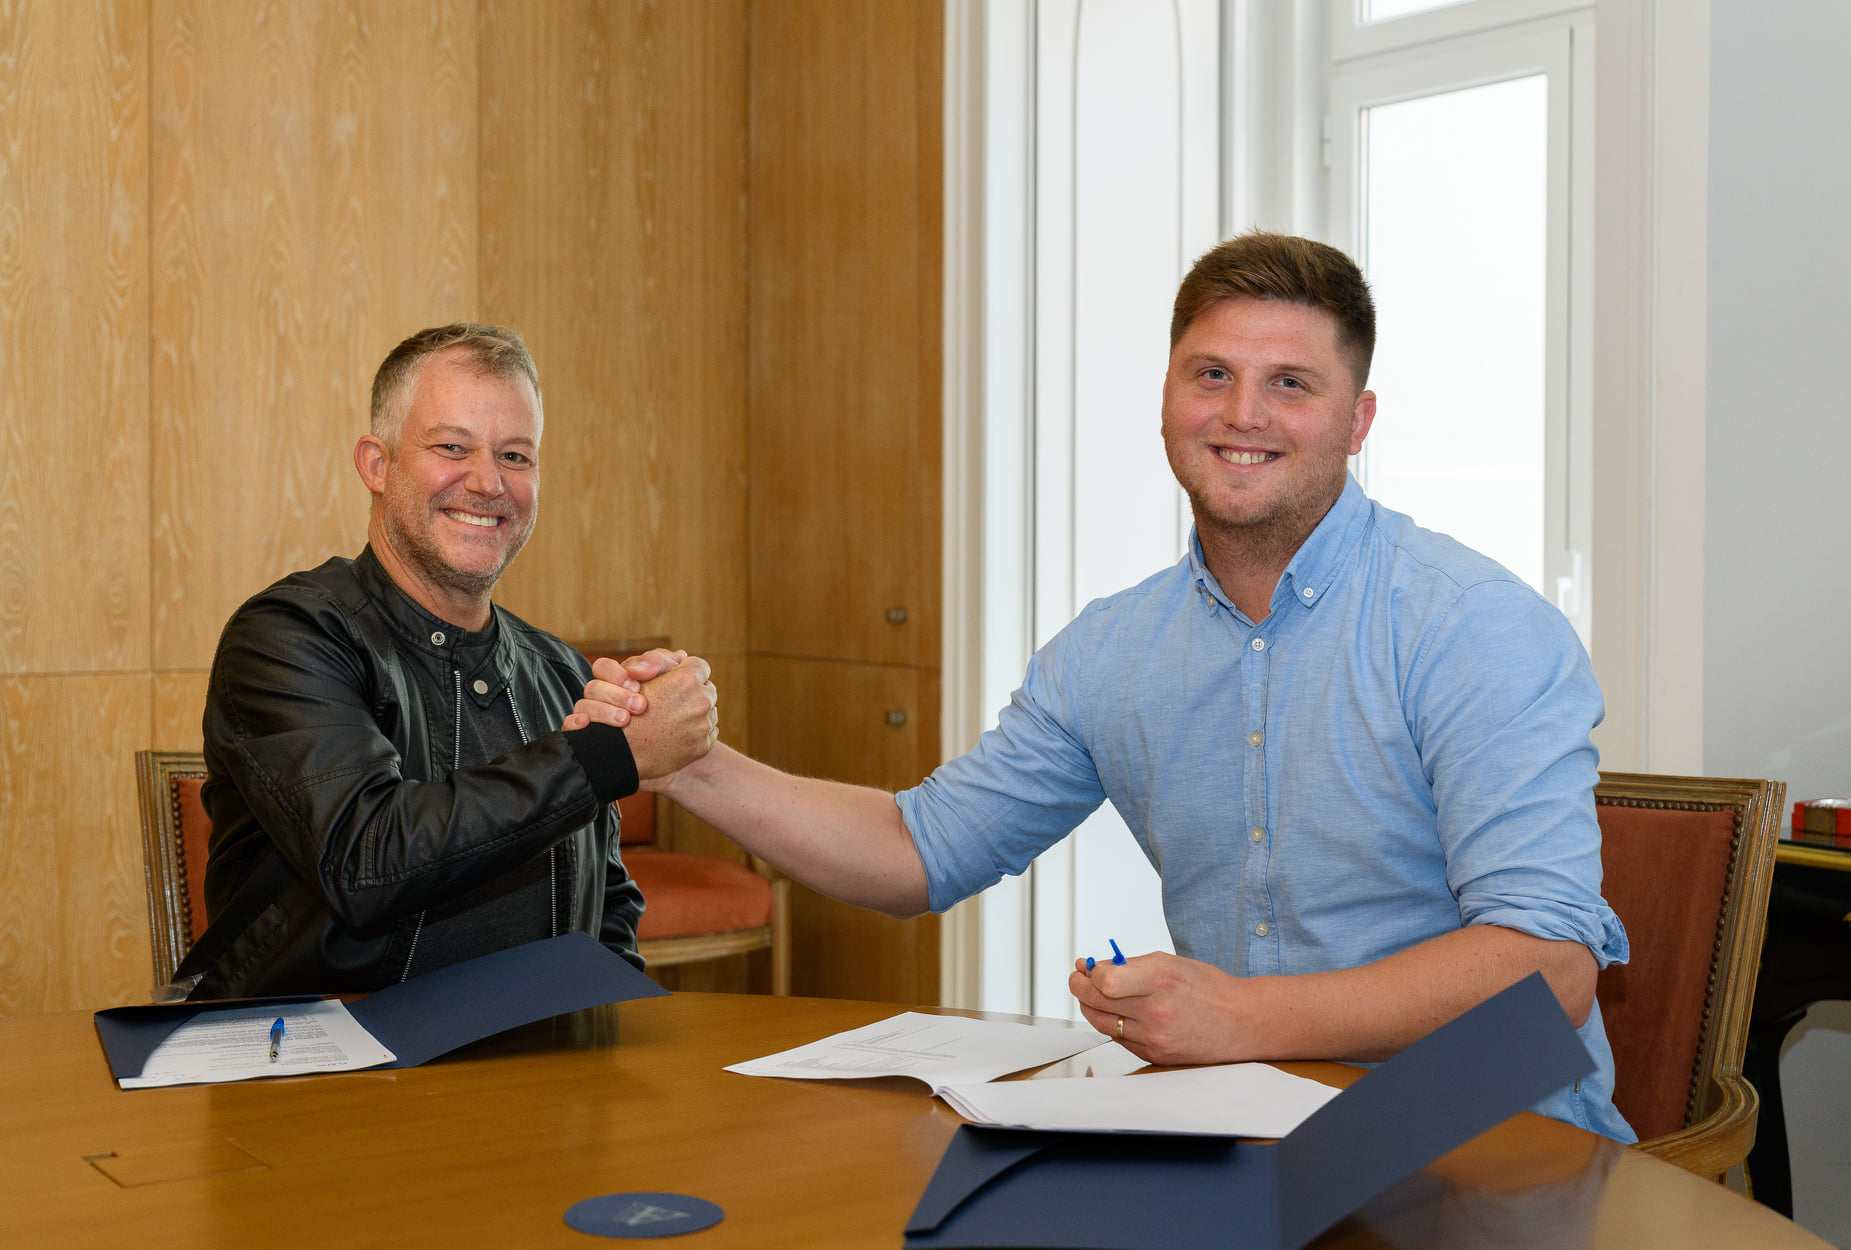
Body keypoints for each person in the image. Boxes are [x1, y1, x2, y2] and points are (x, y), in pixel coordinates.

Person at [574, 232, 1635, 1140]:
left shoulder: (1473, 626)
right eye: (1210, 374)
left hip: (1495, 1147)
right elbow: (916, 851)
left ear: (1357, 422)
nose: (1242, 413)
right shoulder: (1110, 652)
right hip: (1245, 1130)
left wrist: (1241, 1017)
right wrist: (686, 762)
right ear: (1167, 395)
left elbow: (1549, 968)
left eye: (1290, 384)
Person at [189, 324, 717, 997]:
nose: (488, 482)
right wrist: (607, 756)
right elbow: (368, 859)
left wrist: (608, 1036)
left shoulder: (559, 669)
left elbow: (605, 908)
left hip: (539, 1051)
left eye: (515, 456)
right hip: (327, 1051)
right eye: (452, 447)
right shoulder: (289, 636)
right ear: (376, 465)